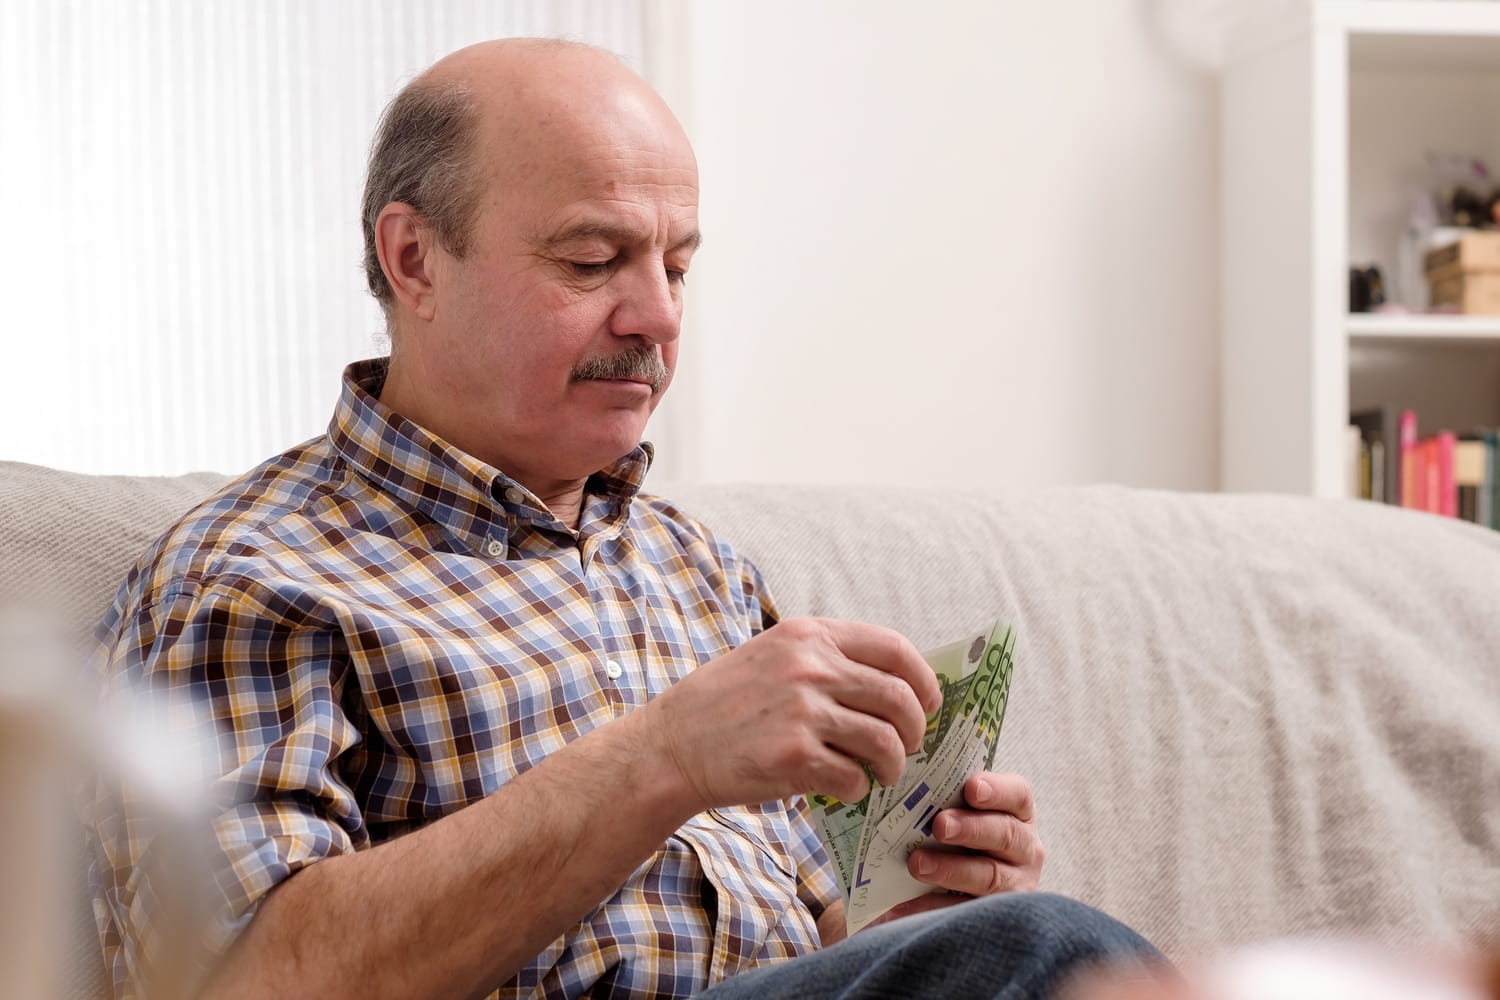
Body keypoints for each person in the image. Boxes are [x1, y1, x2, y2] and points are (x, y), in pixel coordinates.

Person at [90, 37, 1161, 1000]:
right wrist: (663, 756)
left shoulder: (700, 570)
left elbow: (823, 935)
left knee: (1058, 961)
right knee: (1055, 952)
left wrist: (924, 924)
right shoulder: (252, 571)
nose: (655, 314)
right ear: (415, 259)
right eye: (592, 260)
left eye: (678, 265)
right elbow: (235, 978)